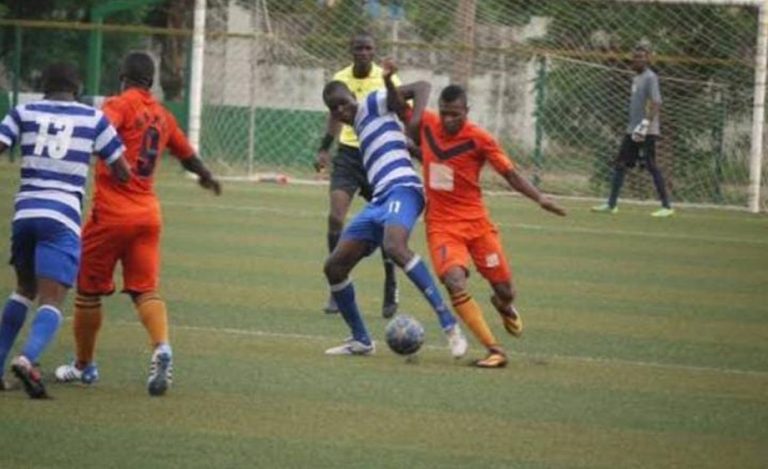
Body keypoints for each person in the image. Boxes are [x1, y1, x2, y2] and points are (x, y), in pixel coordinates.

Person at [54, 52, 221, 396]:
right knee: (144, 290)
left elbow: (100, 130)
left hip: (111, 215)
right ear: (152, 80)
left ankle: (84, 366)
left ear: (122, 74)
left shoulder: (120, 104)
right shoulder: (162, 115)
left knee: (87, 292)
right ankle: (161, 346)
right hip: (148, 215)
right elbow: (186, 153)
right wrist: (206, 176)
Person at [0, 62, 130, 398]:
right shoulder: (92, 118)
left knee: (23, 289)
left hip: (25, 213)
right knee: (53, 299)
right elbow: (122, 170)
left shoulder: (22, 112)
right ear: (78, 88)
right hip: (62, 217)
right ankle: (27, 359)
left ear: (44, 87)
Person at [321, 60, 467, 357]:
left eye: (342, 102)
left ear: (352, 95)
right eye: (333, 109)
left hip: (405, 188)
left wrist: (411, 122)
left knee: (395, 246)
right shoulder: (359, 126)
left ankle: (450, 325)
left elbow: (422, 87)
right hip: (379, 201)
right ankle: (361, 340)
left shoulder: (371, 102)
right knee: (334, 267)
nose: (340, 110)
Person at [414, 84, 566, 368]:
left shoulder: (480, 139)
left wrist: (540, 199)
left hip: (477, 225)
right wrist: (388, 79)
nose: (448, 120)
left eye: (455, 115)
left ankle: (504, 306)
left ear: (467, 112)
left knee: (505, 289)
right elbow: (399, 103)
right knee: (453, 280)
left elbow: (510, 174)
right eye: (445, 113)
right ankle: (494, 349)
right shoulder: (427, 122)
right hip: (442, 226)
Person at [314, 32, 399, 318]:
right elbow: (333, 115)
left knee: (388, 222)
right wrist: (325, 149)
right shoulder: (341, 78)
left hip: (377, 155)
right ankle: (336, 285)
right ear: (350, 51)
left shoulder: (385, 78)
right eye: (358, 48)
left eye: (368, 48)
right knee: (336, 216)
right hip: (349, 156)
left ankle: (391, 282)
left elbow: (399, 107)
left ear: (374, 52)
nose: (363, 52)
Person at [592, 44, 674, 217]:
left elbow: (656, 102)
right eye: (635, 57)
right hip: (633, 130)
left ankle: (667, 207)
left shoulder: (651, 77)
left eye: (642, 57)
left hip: (647, 131)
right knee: (620, 164)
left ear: (648, 59)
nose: (637, 60)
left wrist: (645, 125)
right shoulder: (636, 78)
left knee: (651, 165)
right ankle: (611, 204)